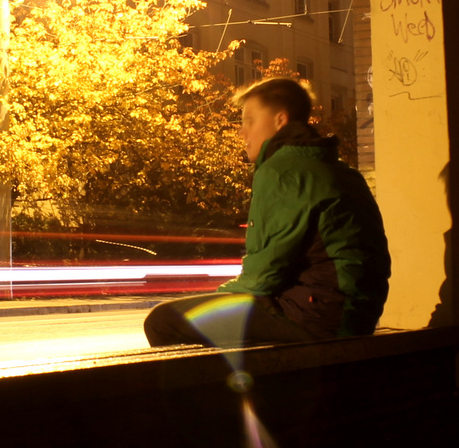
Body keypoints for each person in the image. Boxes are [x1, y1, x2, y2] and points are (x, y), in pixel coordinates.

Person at [144, 76, 391, 348]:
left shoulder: (283, 170)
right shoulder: (340, 170)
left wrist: (219, 297)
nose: (242, 132)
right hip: (355, 313)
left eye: (249, 120)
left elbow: (264, 273)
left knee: (163, 321)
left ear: (280, 120)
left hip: (319, 317)